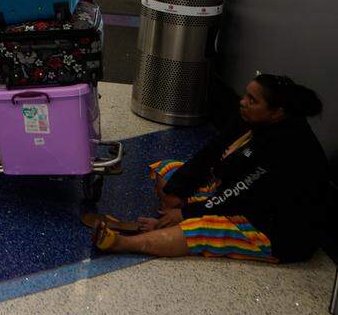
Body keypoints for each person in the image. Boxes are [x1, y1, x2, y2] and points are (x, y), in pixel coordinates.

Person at [91, 74, 327, 264]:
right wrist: (178, 191)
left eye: (252, 100)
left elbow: (240, 193)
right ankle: (169, 224)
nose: (243, 102)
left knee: (202, 229)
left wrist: (186, 214)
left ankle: (126, 243)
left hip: (273, 228)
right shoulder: (255, 118)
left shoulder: (288, 147)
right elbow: (211, 152)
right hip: (239, 194)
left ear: (277, 112)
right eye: (246, 95)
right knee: (167, 171)